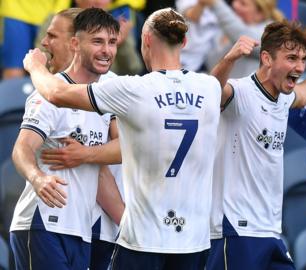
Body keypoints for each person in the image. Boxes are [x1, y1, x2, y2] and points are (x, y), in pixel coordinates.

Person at [23, 7, 221, 270]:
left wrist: (35, 66)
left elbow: (56, 93)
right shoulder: (210, 88)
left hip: (142, 238)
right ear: (184, 41)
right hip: (193, 241)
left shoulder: (132, 89)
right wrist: (228, 59)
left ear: (146, 40)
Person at [207, 20, 306, 269]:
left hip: (270, 229)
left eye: (303, 59)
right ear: (266, 58)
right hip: (236, 229)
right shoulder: (240, 93)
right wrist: (229, 59)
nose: (299, 66)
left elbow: (302, 95)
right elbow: (211, 92)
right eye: (292, 58)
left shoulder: (283, 98)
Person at [9, 8, 121, 270]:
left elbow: (106, 167)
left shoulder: (102, 98)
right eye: (97, 42)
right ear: (75, 43)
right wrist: (38, 178)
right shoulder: (48, 94)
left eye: (112, 43)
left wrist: (126, 220)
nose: (106, 51)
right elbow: (22, 148)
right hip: (42, 223)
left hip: (80, 230)